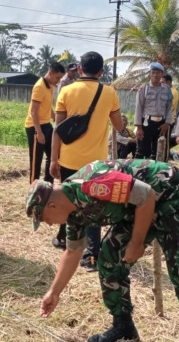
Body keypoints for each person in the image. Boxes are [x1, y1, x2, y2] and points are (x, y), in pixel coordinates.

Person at [26, 160, 179, 342]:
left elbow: (146, 195)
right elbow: (72, 251)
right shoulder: (73, 213)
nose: (48, 225)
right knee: (109, 259)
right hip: (137, 209)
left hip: (170, 197)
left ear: (51, 206)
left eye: (44, 219)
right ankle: (123, 326)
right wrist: (54, 292)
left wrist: (137, 242)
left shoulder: (93, 184)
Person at [50, 51, 125, 271]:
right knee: (93, 206)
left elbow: (58, 130)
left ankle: (64, 238)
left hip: (68, 159)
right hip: (96, 163)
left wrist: (54, 159)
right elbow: (118, 125)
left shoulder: (66, 90)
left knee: (66, 199)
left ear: (80, 69)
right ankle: (92, 254)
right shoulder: (109, 92)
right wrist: (124, 126)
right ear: (101, 71)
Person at [26, 62, 65, 183]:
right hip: (34, 126)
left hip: (46, 124)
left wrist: (55, 118)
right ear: (50, 73)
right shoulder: (39, 87)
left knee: (53, 155)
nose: (58, 81)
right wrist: (39, 133)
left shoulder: (51, 86)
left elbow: (47, 107)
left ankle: (48, 185)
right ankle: (34, 189)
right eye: (57, 78)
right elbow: (33, 112)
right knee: (36, 161)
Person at [134, 62, 173, 160]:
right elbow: (138, 107)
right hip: (146, 123)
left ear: (162, 74)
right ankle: (136, 173)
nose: (156, 75)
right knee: (142, 151)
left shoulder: (167, 89)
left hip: (161, 124)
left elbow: (169, 108)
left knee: (157, 152)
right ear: (150, 74)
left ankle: (154, 173)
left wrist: (167, 123)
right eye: (153, 72)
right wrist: (139, 127)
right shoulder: (143, 88)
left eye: (158, 73)